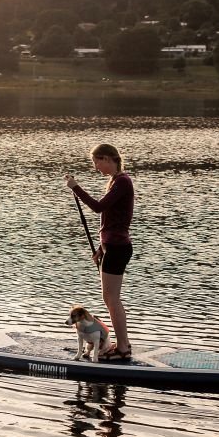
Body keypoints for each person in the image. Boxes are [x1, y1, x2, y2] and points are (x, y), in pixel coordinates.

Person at [66, 143, 135, 360]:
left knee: (112, 299)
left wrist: (76, 188)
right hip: (111, 248)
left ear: (107, 158)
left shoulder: (122, 181)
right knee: (110, 299)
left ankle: (123, 349)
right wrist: (100, 248)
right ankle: (121, 345)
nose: (96, 167)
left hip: (118, 248)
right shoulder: (115, 181)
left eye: (97, 162)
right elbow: (112, 221)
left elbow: (98, 207)